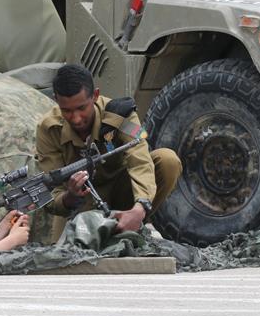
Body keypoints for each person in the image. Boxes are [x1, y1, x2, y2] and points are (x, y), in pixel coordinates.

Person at [35, 64, 182, 235]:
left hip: (122, 193)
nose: (76, 119)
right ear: (56, 100)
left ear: (95, 96)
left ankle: (133, 224)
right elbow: (51, 194)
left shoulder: (122, 114)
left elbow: (140, 160)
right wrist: (71, 196)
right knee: (71, 256)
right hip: (79, 208)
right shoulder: (48, 128)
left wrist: (140, 207)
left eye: (82, 108)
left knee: (167, 160)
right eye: (66, 110)